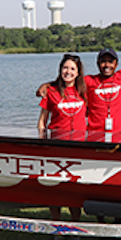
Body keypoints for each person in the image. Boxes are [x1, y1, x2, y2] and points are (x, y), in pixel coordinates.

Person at [38, 54, 87, 221]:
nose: (68, 71)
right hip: (56, 146)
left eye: (72, 69)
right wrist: (43, 143)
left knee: (74, 188)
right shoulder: (51, 92)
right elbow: (42, 122)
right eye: (65, 68)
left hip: (78, 147)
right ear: (60, 70)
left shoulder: (84, 91)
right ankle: (56, 222)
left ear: (78, 72)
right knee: (55, 187)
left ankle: (74, 223)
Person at [84, 47, 121, 141]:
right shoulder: (89, 81)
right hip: (95, 134)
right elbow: (68, 80)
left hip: (120, 133)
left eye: (110, 62)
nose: (107, 65)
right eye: (103, 61)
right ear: (97, 63)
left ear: (116, 64)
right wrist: (48, 85)